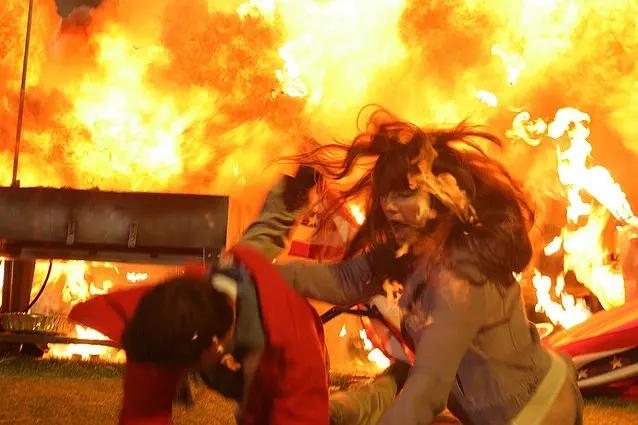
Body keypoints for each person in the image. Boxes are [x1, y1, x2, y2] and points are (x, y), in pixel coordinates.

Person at [260, 107, 584, 425]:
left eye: (404, 193)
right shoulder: (408, 252)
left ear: (440, 195)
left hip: (543, 412)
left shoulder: (463, 277)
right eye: (386, 194)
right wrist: (253, 276)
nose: (389, 206)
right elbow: (344, 280)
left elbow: (427, 391)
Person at [68, 170, 330, 425]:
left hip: (273, 350)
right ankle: (294, 192)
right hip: (234, 283)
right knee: (257, 244)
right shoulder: (160, 322)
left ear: (213, 348)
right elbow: (142, 413)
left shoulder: (295, 354)